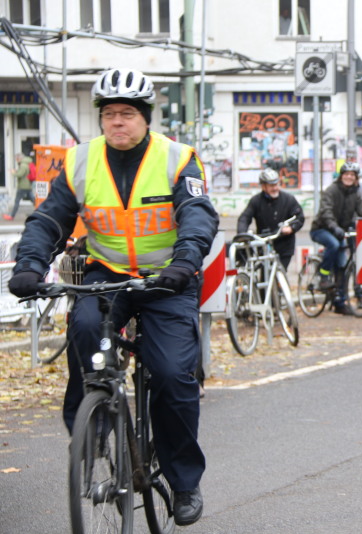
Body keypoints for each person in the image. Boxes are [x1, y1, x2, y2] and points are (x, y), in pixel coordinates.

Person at [7, 68, 217, 526]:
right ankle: (94, 428)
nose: (117, 122)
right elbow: (49, 220)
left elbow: (198, 215)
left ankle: (184, 482)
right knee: (83, 327)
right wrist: (29, 265)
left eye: (126, 114)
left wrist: (184, 263)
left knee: (169, 373)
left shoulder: (178, 159)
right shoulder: (80, 160)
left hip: (168, 280)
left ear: (145, 118)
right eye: (109, 115)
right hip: (108, 274)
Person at [309, 161, 362, 315]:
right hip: (321, 229)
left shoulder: (355, 194)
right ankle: (323, 275)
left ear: (356, 178)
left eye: (352, 175)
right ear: (341, 176)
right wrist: (334, 227)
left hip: (340, 231)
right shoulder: (332, 190)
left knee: (342, 266)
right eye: (346, 174)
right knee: (335, 245)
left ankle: (339, 302)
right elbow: (326, 211)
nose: (349, 177)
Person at [237, 168, 305, 271]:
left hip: (284, 246)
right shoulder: (256, 201)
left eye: (277, 184)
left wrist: (291, 228)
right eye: (271, 186)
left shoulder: (288, 199)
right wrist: (242, 234)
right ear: (264, 186)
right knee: (265, 278)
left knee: (280, 275)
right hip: (264, 245)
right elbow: (245, 217)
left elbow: (299, 217)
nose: (275, 188)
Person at [4, 152, 34, 221]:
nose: (16, 160)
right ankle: (42, 212)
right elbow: (24, 172)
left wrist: (13, 173)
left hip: (22, 186)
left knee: (17, 201)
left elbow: (20, 174)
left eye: (16, 158)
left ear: (19, 158)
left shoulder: (23, 165)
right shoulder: (26, 163)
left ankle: (11, 216)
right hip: (27, 185)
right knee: (34, 200)